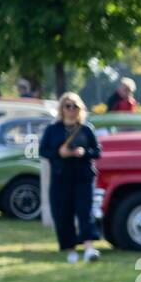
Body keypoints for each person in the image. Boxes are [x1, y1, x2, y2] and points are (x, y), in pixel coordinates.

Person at [39, 92, 102, 263]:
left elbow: (97, 151)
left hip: (82, 177)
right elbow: (43, 151)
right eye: (68, 106)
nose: (72, 110)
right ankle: (71, 249)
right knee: (63, 213)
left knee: (84, 212)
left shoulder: (86, 129)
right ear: (62, 108)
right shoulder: (53, 129)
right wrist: (59, 153)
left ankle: (89, 248)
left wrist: (84, 153)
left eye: (75, 106)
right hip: (61, 178)